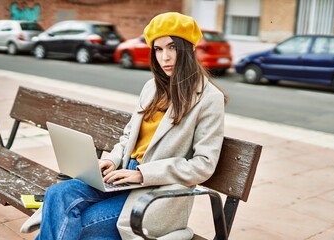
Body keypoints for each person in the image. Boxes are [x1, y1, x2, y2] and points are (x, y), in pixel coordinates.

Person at [35, 12, 227, 240]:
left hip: (156, 191)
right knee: (57, 194)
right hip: (122, 177)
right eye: (158, 49)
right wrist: (112, 159)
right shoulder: (152, 87)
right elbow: (128, 137)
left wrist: (142, 174)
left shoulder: (208, 98)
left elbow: (203, 165)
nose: (165, 57)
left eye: (172, 47)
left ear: (189, 48)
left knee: (78, 224)